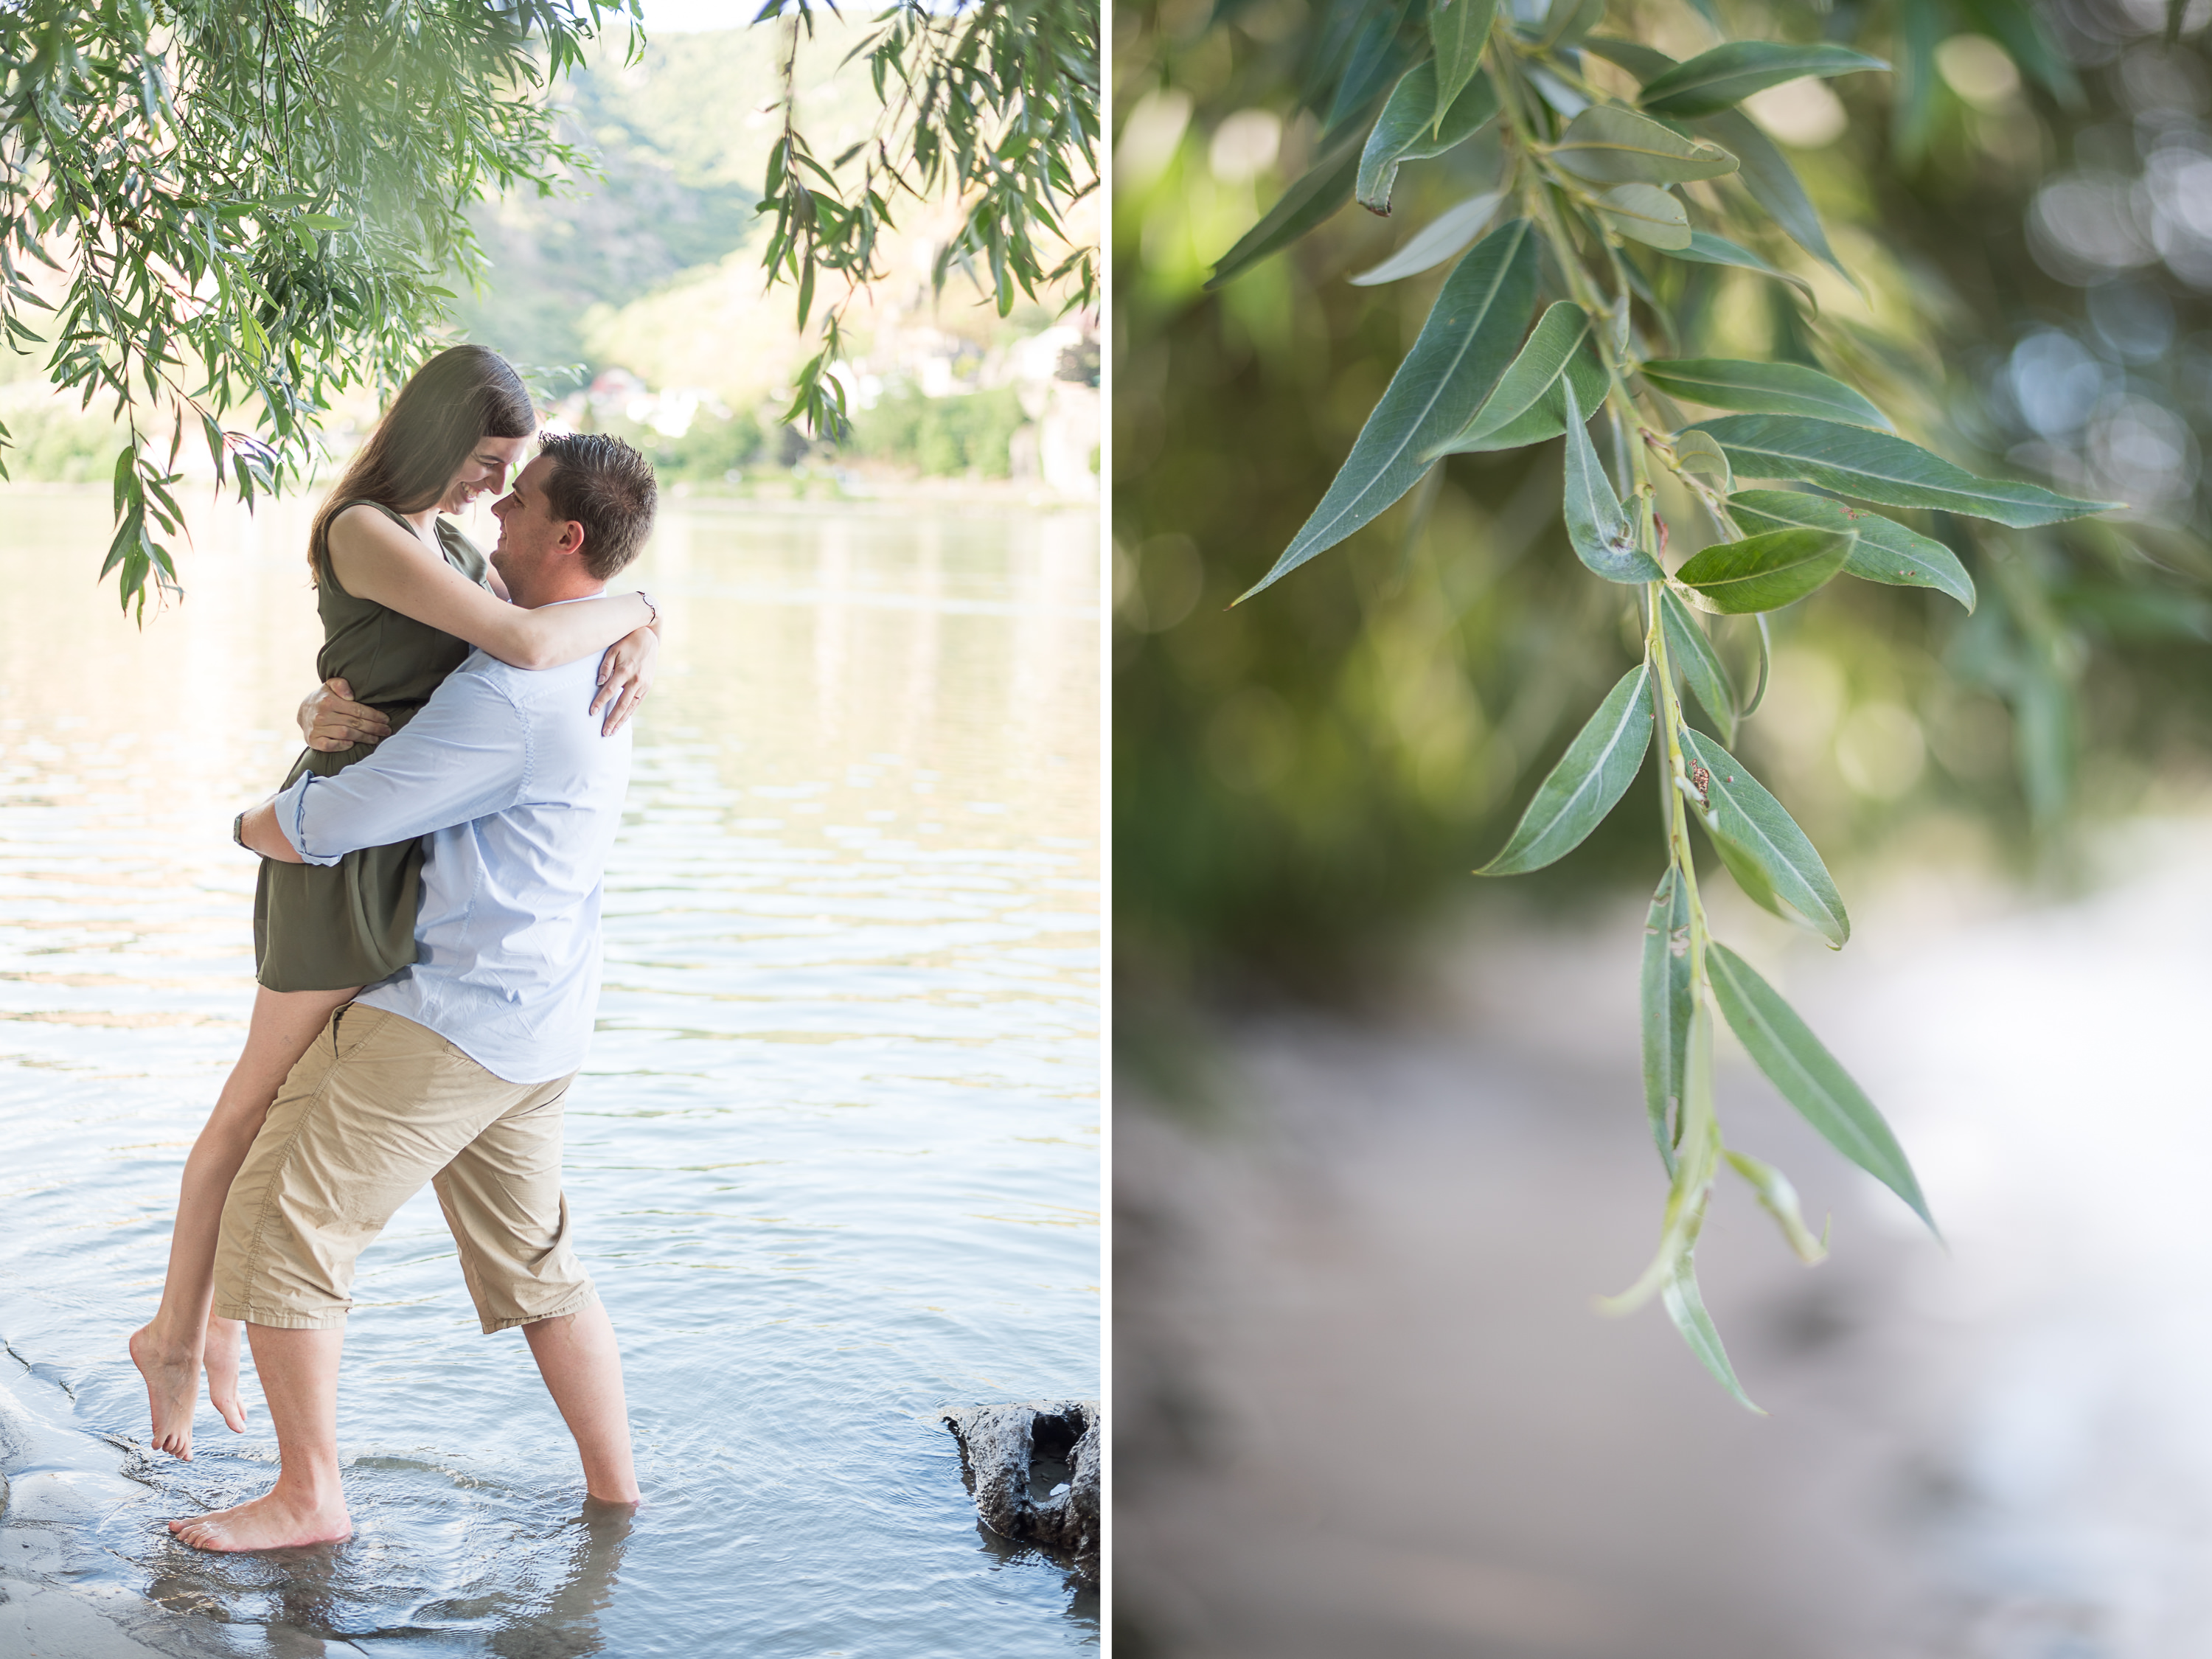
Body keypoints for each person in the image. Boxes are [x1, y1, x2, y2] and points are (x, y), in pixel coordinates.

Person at [128, 346, 661, 1461]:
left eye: (514, 476)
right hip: (342, 865)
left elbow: (413, 676)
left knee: (282, 1131)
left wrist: (635, 616)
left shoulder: (459, 544)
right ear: (435, 437)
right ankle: (181, 1338)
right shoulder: (367, 526)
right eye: (487, 462)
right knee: (253, 1105)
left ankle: (209, 1343)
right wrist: (638, 605)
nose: (494, 490)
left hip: (397, 863)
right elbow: (505, 648)